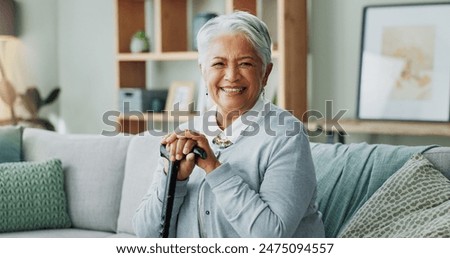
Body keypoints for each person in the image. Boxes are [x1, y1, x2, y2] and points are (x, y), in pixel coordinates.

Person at [133, 11, 324, 238]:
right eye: (218, 64)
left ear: (266, 73)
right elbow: (145, 234)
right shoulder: (185, 134)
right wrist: (175, 178)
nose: (231, 76)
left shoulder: (287, 136)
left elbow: (272, 237)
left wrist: (214, 168)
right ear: (203, 71)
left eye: (245, 63)